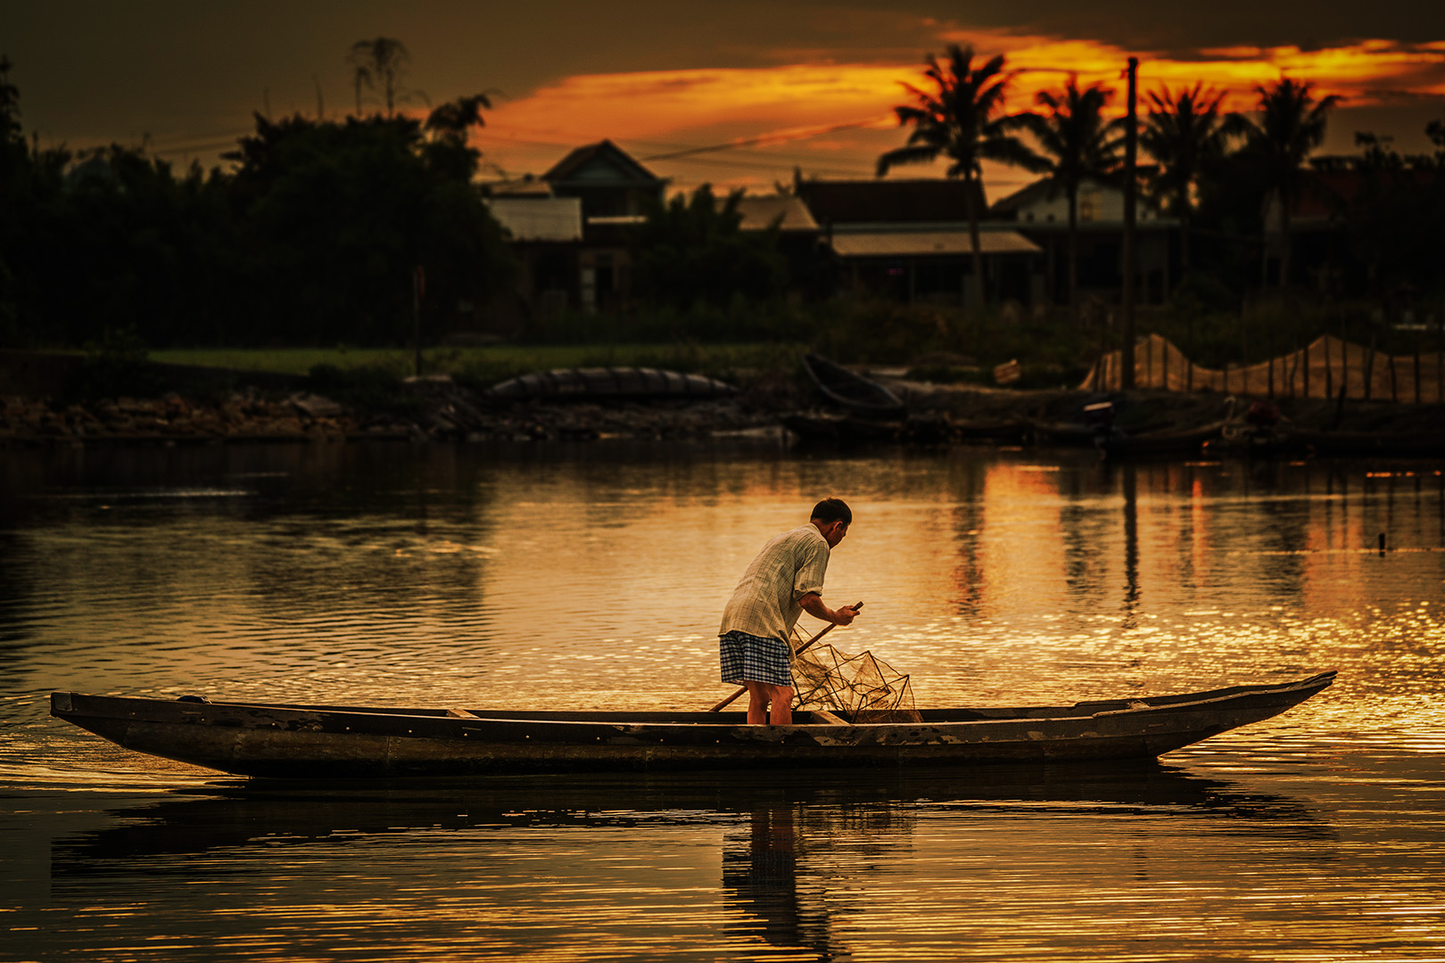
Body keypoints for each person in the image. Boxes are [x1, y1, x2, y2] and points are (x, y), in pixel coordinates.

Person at [718, 497, 860, 725]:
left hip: (735, 618)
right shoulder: (818, 543)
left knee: (760, 697)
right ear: (837, 525)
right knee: (784, 694)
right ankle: (780, 752)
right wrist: (836, 616)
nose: (840, 539)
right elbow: (808, 599)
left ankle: (760, 749)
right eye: (843, 534)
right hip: (762, 623)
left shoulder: (785, 536)